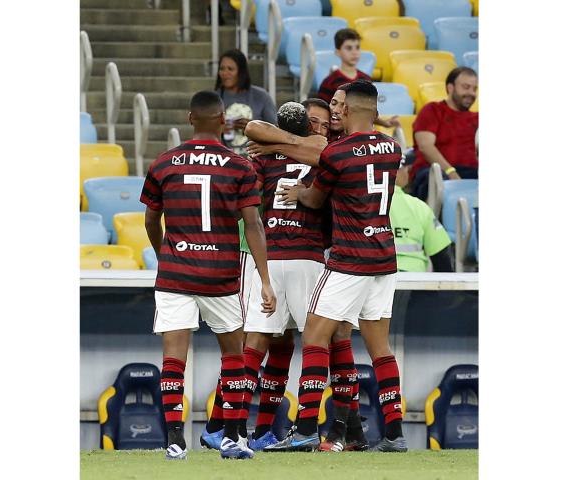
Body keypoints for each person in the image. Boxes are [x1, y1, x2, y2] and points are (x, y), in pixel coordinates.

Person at [268, 80, 407, 453]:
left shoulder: (338, 153)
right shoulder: (392, 148)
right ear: (375, 112)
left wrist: (298, 193)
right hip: (384, 257)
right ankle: (394, 433)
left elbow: (314, 198)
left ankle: (306, 429)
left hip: (349, 259)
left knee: (314, 337)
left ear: (346, 112)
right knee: (381, 349)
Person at [140, 90, 276, 461]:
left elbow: (151, 218)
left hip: (176, 274)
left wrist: (163, 253)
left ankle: (173, 439)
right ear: (222, 120)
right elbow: (254, 224)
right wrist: (264, 279)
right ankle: (232, 436)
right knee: (233, 355)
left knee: (173, 358)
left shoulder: (164, 163)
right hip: (221, 276)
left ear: (189, 118)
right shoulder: (240, 167)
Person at [246, 93, 370, 452]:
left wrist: (277, 148)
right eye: (310, 120)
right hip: (305, 254)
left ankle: (339, 427)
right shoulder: (295, 151)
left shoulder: (335, 150)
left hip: (334, 253)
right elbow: (256, 131)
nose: (317, 125)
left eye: (321, 120)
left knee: (332, 339)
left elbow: (314, 155)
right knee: (298, 341)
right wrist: (284, 146)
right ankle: (263, 429)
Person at [410, 66, 479, 201]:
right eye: (466, 87)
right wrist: (451, 172)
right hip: (435, 172)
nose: (471, 93)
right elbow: (426, 147)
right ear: (450, 88)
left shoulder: (478, 118)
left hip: (471, 173)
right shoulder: (432, 110)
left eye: (474, 89)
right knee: (436, 179)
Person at [316, 29, 400, 131]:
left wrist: (386, 123)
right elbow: (323, 112)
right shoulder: (329, 82)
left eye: (357, 47)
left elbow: (368, 111)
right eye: (349, 48)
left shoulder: (366, 79)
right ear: (338, 52)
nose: (354, 52)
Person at [391, 156, 454, 273]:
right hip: (414, 281)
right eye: (406, 169)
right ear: (396, 172)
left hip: (371, 282)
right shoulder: (418, 207)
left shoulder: (358, 204)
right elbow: (442, 257)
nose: (407, 174)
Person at [215, 49, 277, 156]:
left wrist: (254, 127)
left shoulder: (261, 96)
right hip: (222, 159)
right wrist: (218, 129)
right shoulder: (213, 98)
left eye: (230, 69)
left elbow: (276, 132)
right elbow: (202, 133)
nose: (225, 73)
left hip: (256, 160)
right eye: (222, 69)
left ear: (241, 71)